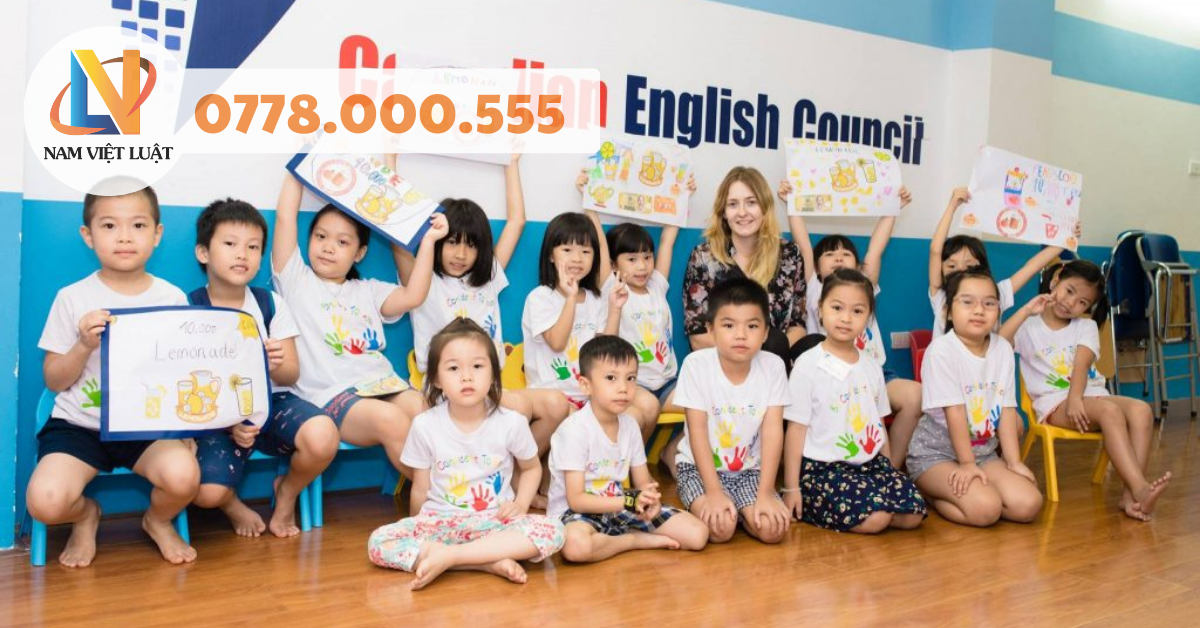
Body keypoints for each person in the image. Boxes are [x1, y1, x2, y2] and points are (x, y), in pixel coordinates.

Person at [27, 184, 199, 567]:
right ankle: (86, 514)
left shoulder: (172, 298)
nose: (124, 237)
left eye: (138, 225)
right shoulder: (71, 297)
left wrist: (183, 428)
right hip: (79, 426)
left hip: (146, 426)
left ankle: (157, 521)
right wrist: (83, 345)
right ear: (88, 235)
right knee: (45, 502)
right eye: (109, 226)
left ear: (157, 234)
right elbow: (54, 380)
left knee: (185, 476)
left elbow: (180, 373)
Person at [271, 173, 447, 478]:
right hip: (330, 395)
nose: (328, 247)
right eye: (320, 237)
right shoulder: (295, 279)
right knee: (391, 420)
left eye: (342, 242)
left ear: (360, 252)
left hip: (382, 385)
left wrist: (429, 241)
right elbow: (286, 217)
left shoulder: (368, 290)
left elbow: (414, 295)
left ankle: (456, 489)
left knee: (428, 411)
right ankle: (441, 497)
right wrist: (301, 166)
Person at [367, 320, 564, 590]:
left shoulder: (511, 422)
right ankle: (484, 562)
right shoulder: (425, 425)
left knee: (554, 530)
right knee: (378, 541)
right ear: (436, 379)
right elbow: (420, 487)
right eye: (453, 368)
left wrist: (520, 503)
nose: (467, 377)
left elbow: (531, 468)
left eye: (478, 366)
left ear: (493, 374)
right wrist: (417, 526)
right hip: (440, 523)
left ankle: (451, 558)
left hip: (494, 522)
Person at [188, 198, 339, 537]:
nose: (242, 254)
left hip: (272, 404)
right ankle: (232, 504)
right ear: (203, 252)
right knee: (205, 493)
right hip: (215, 415)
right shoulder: (189, 309)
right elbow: (187, 389)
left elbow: (291, 374)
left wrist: (274, 365)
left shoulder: (270, 303)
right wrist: (230, 423)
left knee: (324, 435)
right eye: (230, 244)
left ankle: (286, 492)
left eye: (253, 247)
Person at [1001, 259, 1170, 520]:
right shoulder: (1028, 327)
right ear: (1055, 281)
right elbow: (998, 344)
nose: (1071, 303)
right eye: (1069, 291)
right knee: (1110, 412)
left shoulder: (1086, 326)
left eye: (1082, 302)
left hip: (1089, 396)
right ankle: (1141, 489)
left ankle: (1130, 497)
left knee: (1141, 410)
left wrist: (1076, 397)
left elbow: (1081, 364)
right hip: (1055, 404)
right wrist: (1025, 311)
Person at [781, 269, 926, 533]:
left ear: (868, 317)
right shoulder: (807, 365)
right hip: (823, 470)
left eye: (857, 311)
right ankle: (818, 505)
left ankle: (871, 505)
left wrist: (888, 470)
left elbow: (878, 424)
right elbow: (796, 430)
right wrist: (791, 488)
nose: (846, 318)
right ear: (821, 309)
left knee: (913, 514)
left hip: (869, 465)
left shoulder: (871, 365)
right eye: (837, 308)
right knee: (877, 519)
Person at [550, 336, 708, 562]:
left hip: (619, 505)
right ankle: (633, 540)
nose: (623, 388)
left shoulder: (630, 425)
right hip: (577, 514)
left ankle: (614, 537)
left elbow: (642, 481)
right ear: (586, 385)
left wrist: (649, 501)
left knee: (697, 534)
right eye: (611, 378)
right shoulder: (574, 430)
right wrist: (628, 501)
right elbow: (576, 500)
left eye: (631, 378)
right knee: (576, 546)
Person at [908, 269, 1043, 527]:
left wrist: (1013, 462)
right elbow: (955, 412)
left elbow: (1006, 409)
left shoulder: (1002, 349)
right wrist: (967, 464)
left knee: (1028, 504)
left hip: (983, 454)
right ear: (948, 311)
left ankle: (975, 492)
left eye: (989, 303)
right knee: (986, 510)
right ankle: (930, 493)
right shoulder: (942, 351)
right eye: (967, 302)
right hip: (935, 456)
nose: (979, 310)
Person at [673, 277, 792, 544]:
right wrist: (714, 492)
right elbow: (697, 431)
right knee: (720, 530)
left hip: (750, 470)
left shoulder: (773, 366)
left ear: (765, 333)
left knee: (773, 531)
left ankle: (743, 509)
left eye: (752, 326)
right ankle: (732, 508)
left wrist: (765, 493)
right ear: (711, 330)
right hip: (700, 469)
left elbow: (773, 431)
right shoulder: (696, 365)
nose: (741, 335)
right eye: (729, 325)